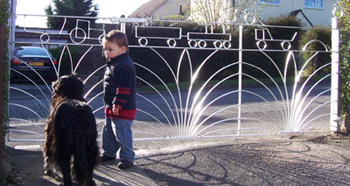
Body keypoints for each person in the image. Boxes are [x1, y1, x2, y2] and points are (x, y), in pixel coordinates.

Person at [100, 30, 136, 170]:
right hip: (111, 106)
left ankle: (127, 158)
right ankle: (109, 153)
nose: (107, 52)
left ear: (122, 49)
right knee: (108, 130)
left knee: (122, 134)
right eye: (105, 49)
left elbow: (124, 88)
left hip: (122, 108)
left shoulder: (122, 66)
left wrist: (117, 103)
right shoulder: (114, 63)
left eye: (110, 49)